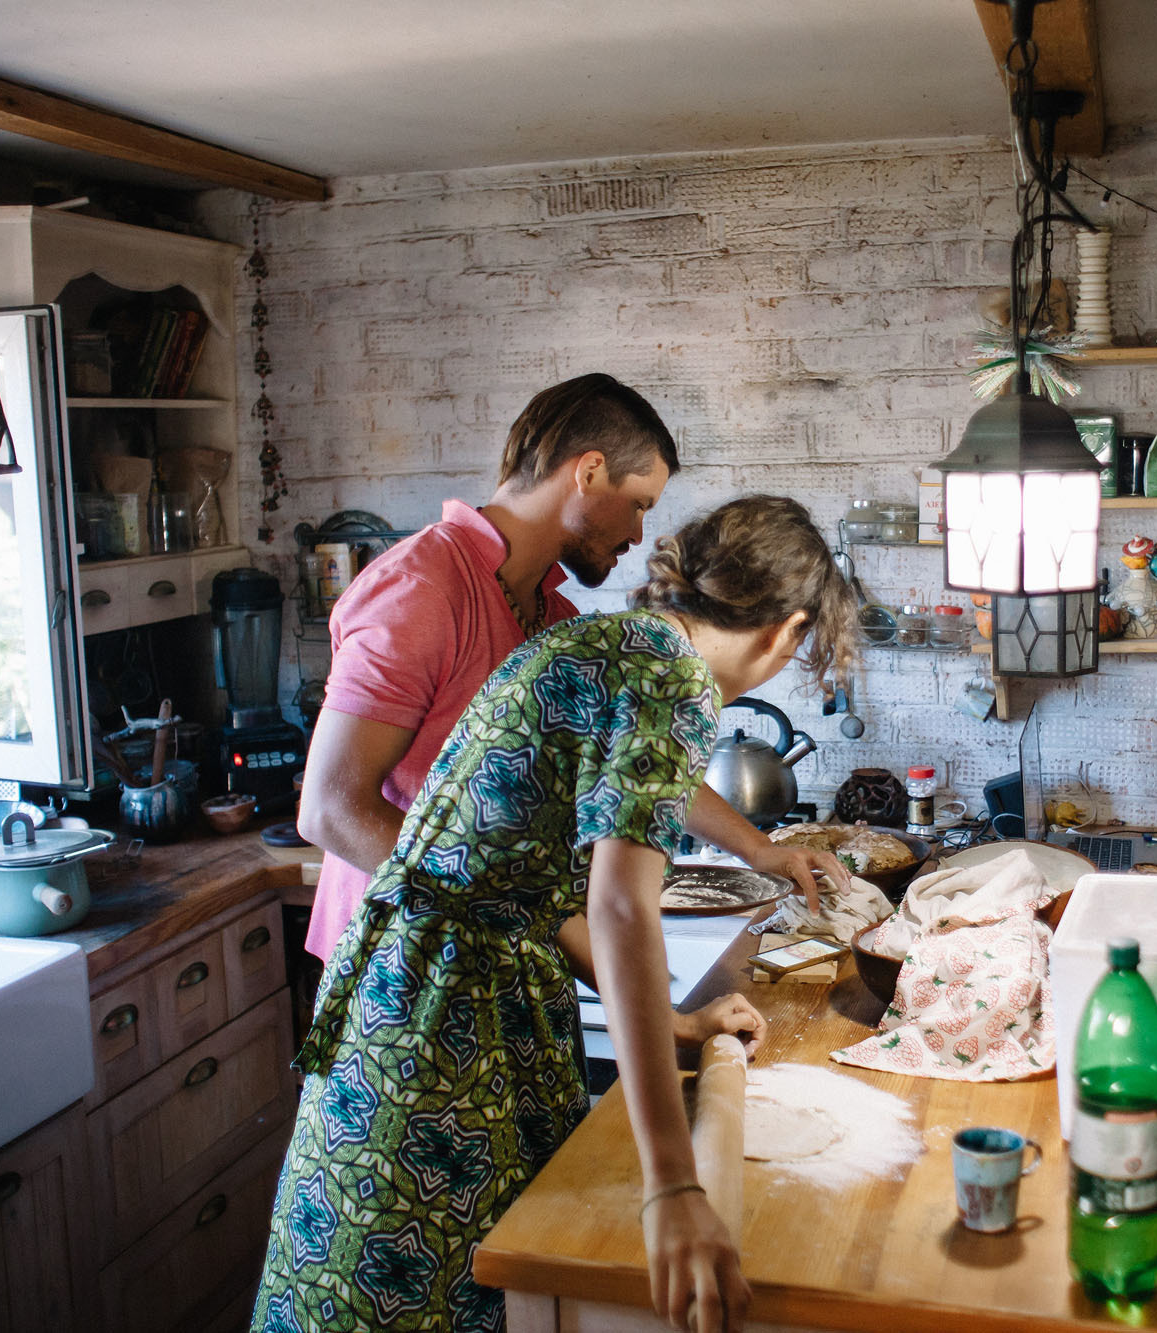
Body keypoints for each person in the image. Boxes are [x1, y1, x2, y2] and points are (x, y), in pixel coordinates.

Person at [252, 495, 860, 1333]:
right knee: (429, 1287)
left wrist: (679, 1022)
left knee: (361, 1288)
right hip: (447, 1036)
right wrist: (675, 1184)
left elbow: (532, 884)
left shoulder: (604, 641)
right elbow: (618, 905)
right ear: (786, 631)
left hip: (404, 1002)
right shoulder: (674, 679)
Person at [299, 374, 846, 966]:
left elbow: (640, 770)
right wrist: (511, 916)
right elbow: (332, 810)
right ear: (588, 473)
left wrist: (758, 849)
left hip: (509, 957)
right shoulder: (419, 589)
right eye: (638, 504)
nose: (639, 536)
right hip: (403, 963)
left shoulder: (553, 612)